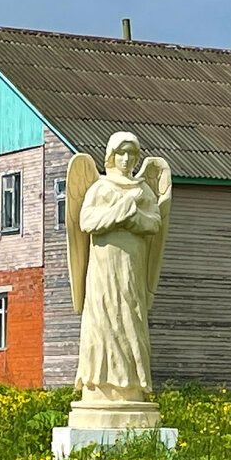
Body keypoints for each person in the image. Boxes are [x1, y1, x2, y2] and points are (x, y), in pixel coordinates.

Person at [72, 132, 167, 403]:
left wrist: (132, 216)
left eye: (131, 154)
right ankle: (99, 383)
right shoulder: (100, 188)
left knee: (130, 317)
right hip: (103, 270)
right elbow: (86, 222)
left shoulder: (143, 190)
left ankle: (132, 383)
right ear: (111, 156)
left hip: (131, 268)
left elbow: (154, 223)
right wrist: (120, 211)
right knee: (102, 319)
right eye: (121, 153)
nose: (126, 159)